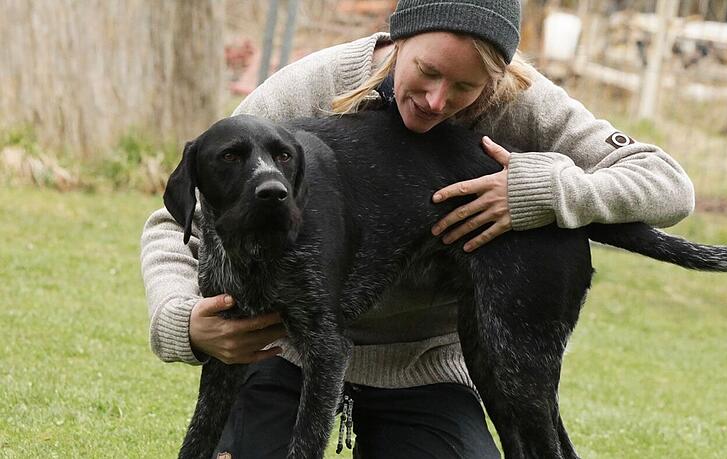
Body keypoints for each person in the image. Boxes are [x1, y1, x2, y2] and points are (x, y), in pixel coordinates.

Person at [140, 0, 695, 457]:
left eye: (464, 88)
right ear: (397, 40)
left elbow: (668, 184)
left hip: (423, 368)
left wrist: (544, 191)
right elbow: (179, 219)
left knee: (529, 415)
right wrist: (182, 322)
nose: (437, 100)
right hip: (284, 357)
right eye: (427, 73)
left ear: (497, 79)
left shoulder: (526, 102)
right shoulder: (309, 86)